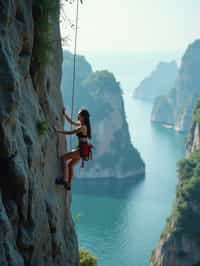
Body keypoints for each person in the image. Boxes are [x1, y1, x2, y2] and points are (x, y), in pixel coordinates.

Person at [54, 107, 92, 190]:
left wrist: (58, 131)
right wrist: (65, 114)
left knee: (63, 158)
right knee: (70, 165)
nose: (77, 115)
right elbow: (72, 122)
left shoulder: (83, 127)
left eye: (79, 114)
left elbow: (71, 132)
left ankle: (65, 180)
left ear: (83, 116)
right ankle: (68, 184)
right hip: (82, 150)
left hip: (80, 150)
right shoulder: (82, 125)